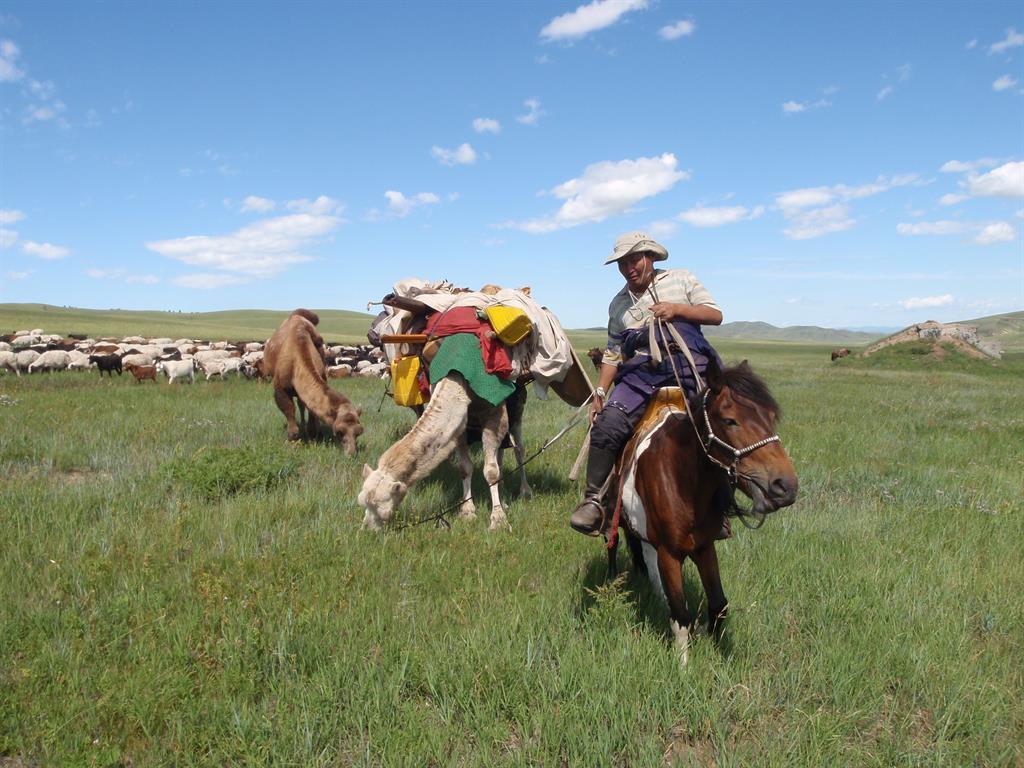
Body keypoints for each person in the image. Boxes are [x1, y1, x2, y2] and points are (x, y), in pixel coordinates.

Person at [570, 231, 726, 536]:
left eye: (634, 260)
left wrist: (677, 309)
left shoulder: (681, 280)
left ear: (649, 257)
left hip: (689, 363)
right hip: (641, 373)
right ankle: (595, 501)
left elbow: (715, 314)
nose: (629, 268)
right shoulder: (618, 305)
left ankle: (721, 505)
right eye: (622, 263)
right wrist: (600, 391)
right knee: (608, 423)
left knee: (718, 423)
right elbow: (614, 352)